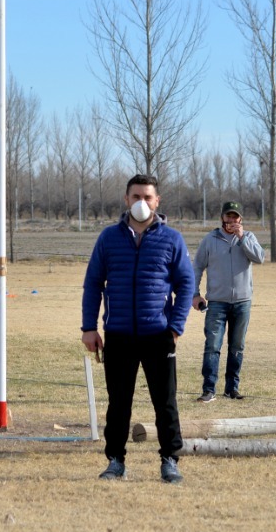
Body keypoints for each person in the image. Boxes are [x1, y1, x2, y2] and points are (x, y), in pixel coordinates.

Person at [82, 174, 195, 483]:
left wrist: (175, 327)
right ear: (126, 199)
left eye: (147, 197)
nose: (141, 203)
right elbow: (93, 283)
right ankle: (115, 461)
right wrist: (89, 328)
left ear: (157, 201)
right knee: (118, 403)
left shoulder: (171, 238)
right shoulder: (108, 238)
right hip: (118, 334)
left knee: (166, 402)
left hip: (159, 335)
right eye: (136, 197)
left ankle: (170, 459)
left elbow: (187, 283)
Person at [192, 201, 264, 402]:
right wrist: (195, 294)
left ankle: (232, 388)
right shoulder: (210, 239)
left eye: (235, 217)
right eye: (228, 217)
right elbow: (197, 267)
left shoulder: (248, 237)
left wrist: (242, 238)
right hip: (216, 302)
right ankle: (209, 389)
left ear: (240, 219)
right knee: (213, 345)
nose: (232, 221)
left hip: (242, 302)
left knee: (237, 346)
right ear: (222, 218)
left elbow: (259, 258)